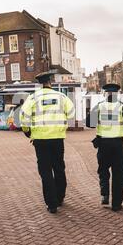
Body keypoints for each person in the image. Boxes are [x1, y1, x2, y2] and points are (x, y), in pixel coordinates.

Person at [20, 72, 75, 214]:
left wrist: (27, 131)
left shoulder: (33, 98)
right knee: (59, 168)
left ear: (40, 83)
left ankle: (52, 205)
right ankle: (60, 197)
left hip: (40, 140)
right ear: (51, 82)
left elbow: (23, 116)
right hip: (57, 138)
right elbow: (72, 113)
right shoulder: (61, 97)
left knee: (45, 171)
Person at [86, 83, 123, 212]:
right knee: (119, 174)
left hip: (103, 144)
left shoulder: (98, 107)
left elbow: (89, 124)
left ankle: (104, 195)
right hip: (118, 144)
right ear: (117, 94)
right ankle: (116, 204)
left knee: (103, 170)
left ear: (105, 94)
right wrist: (120, 131)